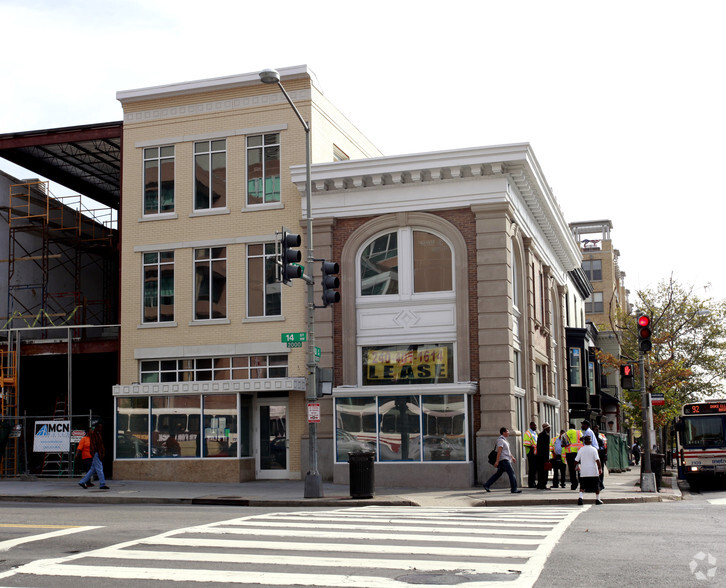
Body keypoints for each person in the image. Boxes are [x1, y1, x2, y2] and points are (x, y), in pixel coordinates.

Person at [483, 427, 522, 493]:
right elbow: (499, 451)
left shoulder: (505, 440)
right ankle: (514, 489)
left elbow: (507, 451)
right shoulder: (500, 440)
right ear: (503, 433)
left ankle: (487, 485)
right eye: (507, 431)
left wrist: (512, 457)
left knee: (498, 474)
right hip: (504, 460)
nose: (508, 433)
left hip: (506, 459)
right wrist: (497, 461)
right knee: (511, 473)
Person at [79, 422, 110, 490]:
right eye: (100, 427)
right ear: (97, 427)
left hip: (97, 453)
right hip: (97, 453)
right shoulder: (95, 434)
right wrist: (96, 453)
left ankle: (82, 481)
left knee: (92, 469)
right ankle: (102, 484)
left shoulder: (97, 434)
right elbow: (94, 445)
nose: (101, 428)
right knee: (99, 469)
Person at [575, 435, 603, 505]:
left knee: (582, 486)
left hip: (584, 472)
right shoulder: (594, 449)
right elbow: (597, 460)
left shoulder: (581, 449)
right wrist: (600, 468)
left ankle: (580, 498)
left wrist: (576, 466)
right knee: (596, 486)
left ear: (584, 441)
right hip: (593, 471)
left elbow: (576, 460)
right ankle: (597, 499)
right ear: (591, 441)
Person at [564, 424, 582, 490]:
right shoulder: (579, 433)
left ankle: (574, 484)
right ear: (575, 427)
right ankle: (582, 483)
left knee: (572, 469)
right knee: (580, 468)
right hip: (579, 453)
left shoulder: (566, 434)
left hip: (570, 453)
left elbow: (563, 444)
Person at [536, 423, 551, 489]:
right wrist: (547, 458)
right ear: (546, 428)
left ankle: (540, 484)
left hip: (539, 456)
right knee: (545, 471)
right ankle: (543, 484)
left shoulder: (539, 435)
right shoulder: (546, 436)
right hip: (544, 457)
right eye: (549, 428)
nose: (550, 429)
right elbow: (546, 448)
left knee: (540, 471)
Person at [523, 421, 538, 488]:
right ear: (531, 425)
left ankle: (533, 482)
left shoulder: (534, 433)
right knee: (531, 469)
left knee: (534, 468)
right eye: (534, 426)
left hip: (535, 453)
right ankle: (531, 483)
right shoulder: (528, 433)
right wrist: (533, 447)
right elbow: (526, 443)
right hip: (530, 452)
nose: (536, 427)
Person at [593, 425, 608, 490]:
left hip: (601, 455)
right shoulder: (593, 436)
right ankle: (598, 483)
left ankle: (601, 483)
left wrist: (605, 454)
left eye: (598, 429)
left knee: (600, 469)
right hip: (597, 455)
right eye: (595, 429)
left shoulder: (602, 436)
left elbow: (605, 445)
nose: (597, 430)